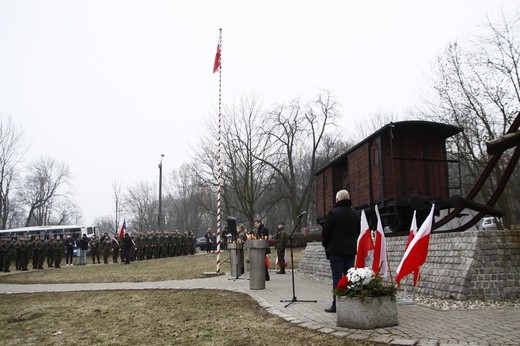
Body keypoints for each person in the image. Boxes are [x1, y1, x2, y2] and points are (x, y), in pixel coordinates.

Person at [321, 189, 361, 313]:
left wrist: (326, 245)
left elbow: (325, 233)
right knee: (350, 277)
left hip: (336, 251)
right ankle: (351, 302)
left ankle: (337, 305)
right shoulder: (355, 213)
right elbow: (357, 231)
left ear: (337, 199)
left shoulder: (333, 213)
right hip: (350, 250)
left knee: (337, 278)